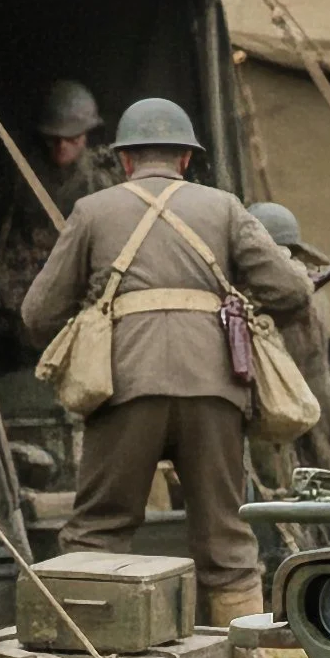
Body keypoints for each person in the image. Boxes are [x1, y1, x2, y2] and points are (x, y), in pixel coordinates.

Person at [21, 98, 312, 625]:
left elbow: (37, 313)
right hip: (216, 388)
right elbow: (292, 290)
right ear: (184, 159)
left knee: (98, 534)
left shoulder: (93, 211)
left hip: (124, 387)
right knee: (226, 541)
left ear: (126, 160)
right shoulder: (223, 208)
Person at [0, 79, 122, 361]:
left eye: (71, 139)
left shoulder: (102, 176)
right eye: (53, 139)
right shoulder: (21, 171)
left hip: (80, 290)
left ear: (87, 135)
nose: (61, 148)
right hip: (19, 295)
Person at [246, 202, 330, 479]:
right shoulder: (295, 289)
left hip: (304, 392)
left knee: (318, 461)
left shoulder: (298, 293)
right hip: (292, 396)